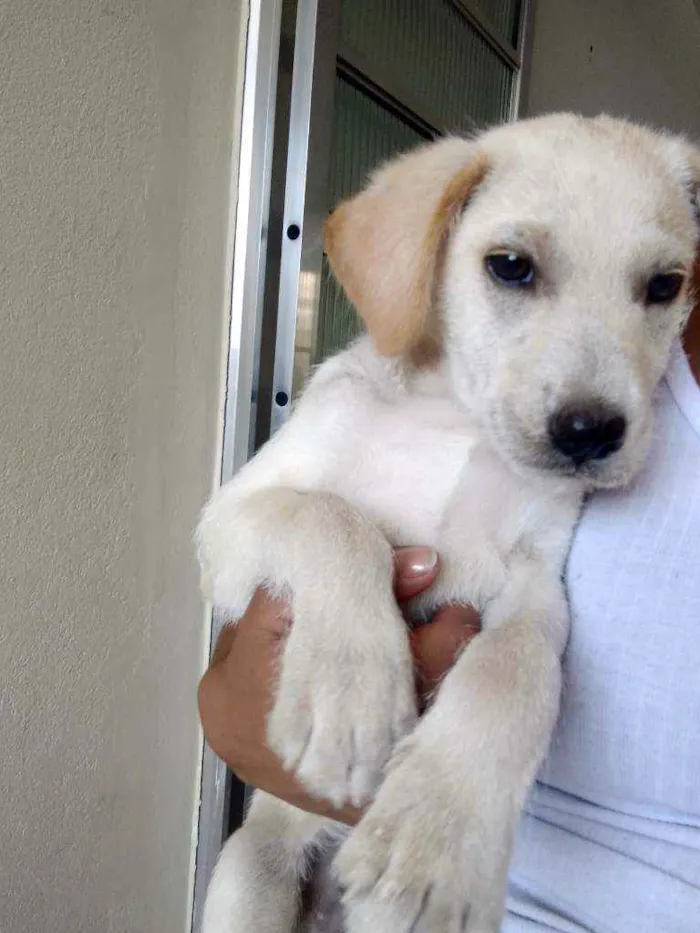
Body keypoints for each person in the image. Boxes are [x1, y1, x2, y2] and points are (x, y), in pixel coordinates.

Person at [199, 288, 700, 932]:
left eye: (656, 288)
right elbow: (232, 604)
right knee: (255, 863)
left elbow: (536, 602)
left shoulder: (602, 412)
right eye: (515, 272)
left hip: (438, 875)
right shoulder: (371, 396)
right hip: (299, 827)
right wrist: (315, 613)